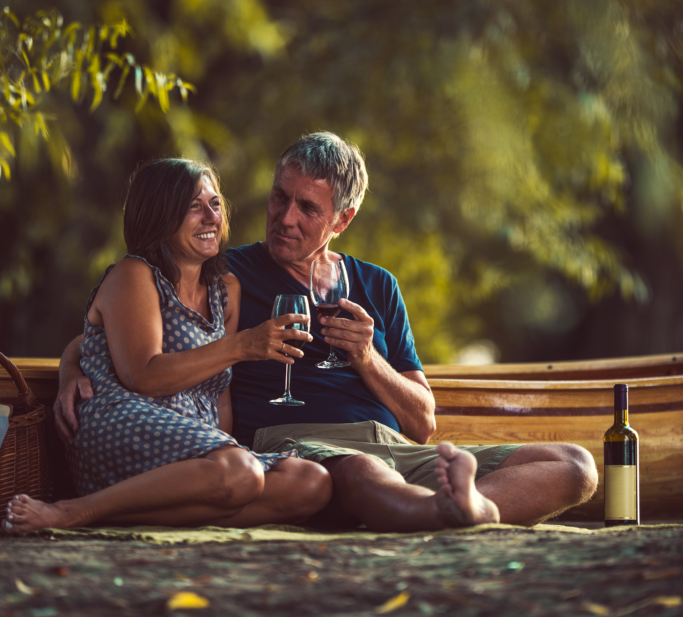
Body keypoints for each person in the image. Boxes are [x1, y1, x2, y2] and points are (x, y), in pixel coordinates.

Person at [52, 134, 598, 533]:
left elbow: (423, 422)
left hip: (392, 446)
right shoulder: (228, 273)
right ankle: (447, 510)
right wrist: (70, 372)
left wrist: (368, 358)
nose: (285, 218)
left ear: (343, 219)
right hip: (298, 446)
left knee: (574, 465)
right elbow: (117, 330)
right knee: (358, 472)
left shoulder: (378, 286)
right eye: (278, 198)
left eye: (307, 208)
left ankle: (465, 507)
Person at [2, 158, 331, 535]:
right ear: (159, 215)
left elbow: (219, 395)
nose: (211, 217)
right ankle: (74, 512)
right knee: (242, 474)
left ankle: (130, 510)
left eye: (215, 203)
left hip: (190, 441)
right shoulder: (135, 275)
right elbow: (143, 375)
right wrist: (242, 346)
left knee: (310, 483)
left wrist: (222, 452)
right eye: (194, 206)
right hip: (123, 423)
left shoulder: (227, 291)